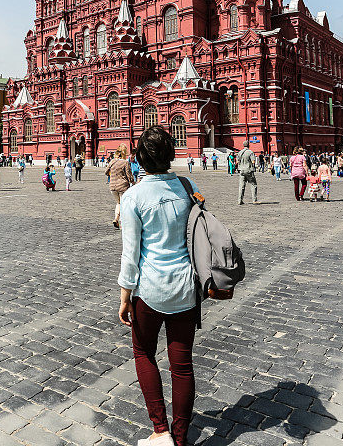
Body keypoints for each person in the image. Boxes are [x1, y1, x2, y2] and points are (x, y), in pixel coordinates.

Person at [117, 126, 198, 446]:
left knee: (143, 352)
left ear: (138, 158)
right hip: (185, 288)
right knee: (182, 366)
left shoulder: (133, 196)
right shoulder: (187, 185)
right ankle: (179, 439)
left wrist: (125, 296)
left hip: (149, 291)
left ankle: (160, 430)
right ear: (171, 156)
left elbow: (130, 253)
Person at [106, 144, 136, 228]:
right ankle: (122, 223)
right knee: (123, 204)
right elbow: (129, 175)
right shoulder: (125, 162)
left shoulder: (112, 161)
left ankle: (116, 218)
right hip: (123, 186)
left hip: (112, 186)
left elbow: (106, 171)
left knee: (118, 203)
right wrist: (133, 183)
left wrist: (113, 175)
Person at [235, 141, 258, 205]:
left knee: (241, 186)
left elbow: (237, 161)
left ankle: (240, 200)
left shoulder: (240, 152)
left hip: (241, 170)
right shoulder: (250, 152)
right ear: (249, 145)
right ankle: (254, 200)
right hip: (249, 170)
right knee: (253, 185)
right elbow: (253, 161)